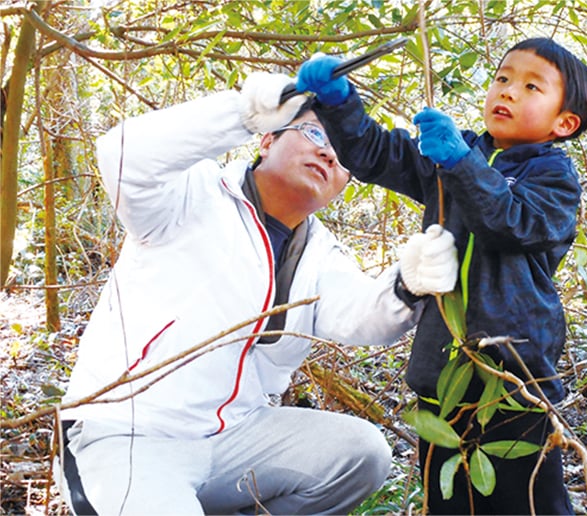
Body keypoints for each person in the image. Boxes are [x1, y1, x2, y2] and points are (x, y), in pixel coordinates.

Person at [56, 72, 459, 515]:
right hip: (130, 435)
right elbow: (122, 155)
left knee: (362, 453)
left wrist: (407, 283)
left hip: (236, 440)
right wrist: (240, 112)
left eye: (343, 155)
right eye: (313, 133)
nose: (328, 152)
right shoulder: (192, 194)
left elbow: (360, 315)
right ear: (267, 140)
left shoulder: (320, 252)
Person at [295, 36, 587, 514]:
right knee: (449, 499)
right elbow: (375, 152)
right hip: (443, 375)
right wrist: (339, 103)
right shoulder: (449, 156)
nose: (508, 91)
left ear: (564, 123)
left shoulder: (554, 177)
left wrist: (460, 162)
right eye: (502, 78)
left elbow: (511, 223)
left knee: (528, 501)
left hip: (514, 376)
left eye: (531, 86)